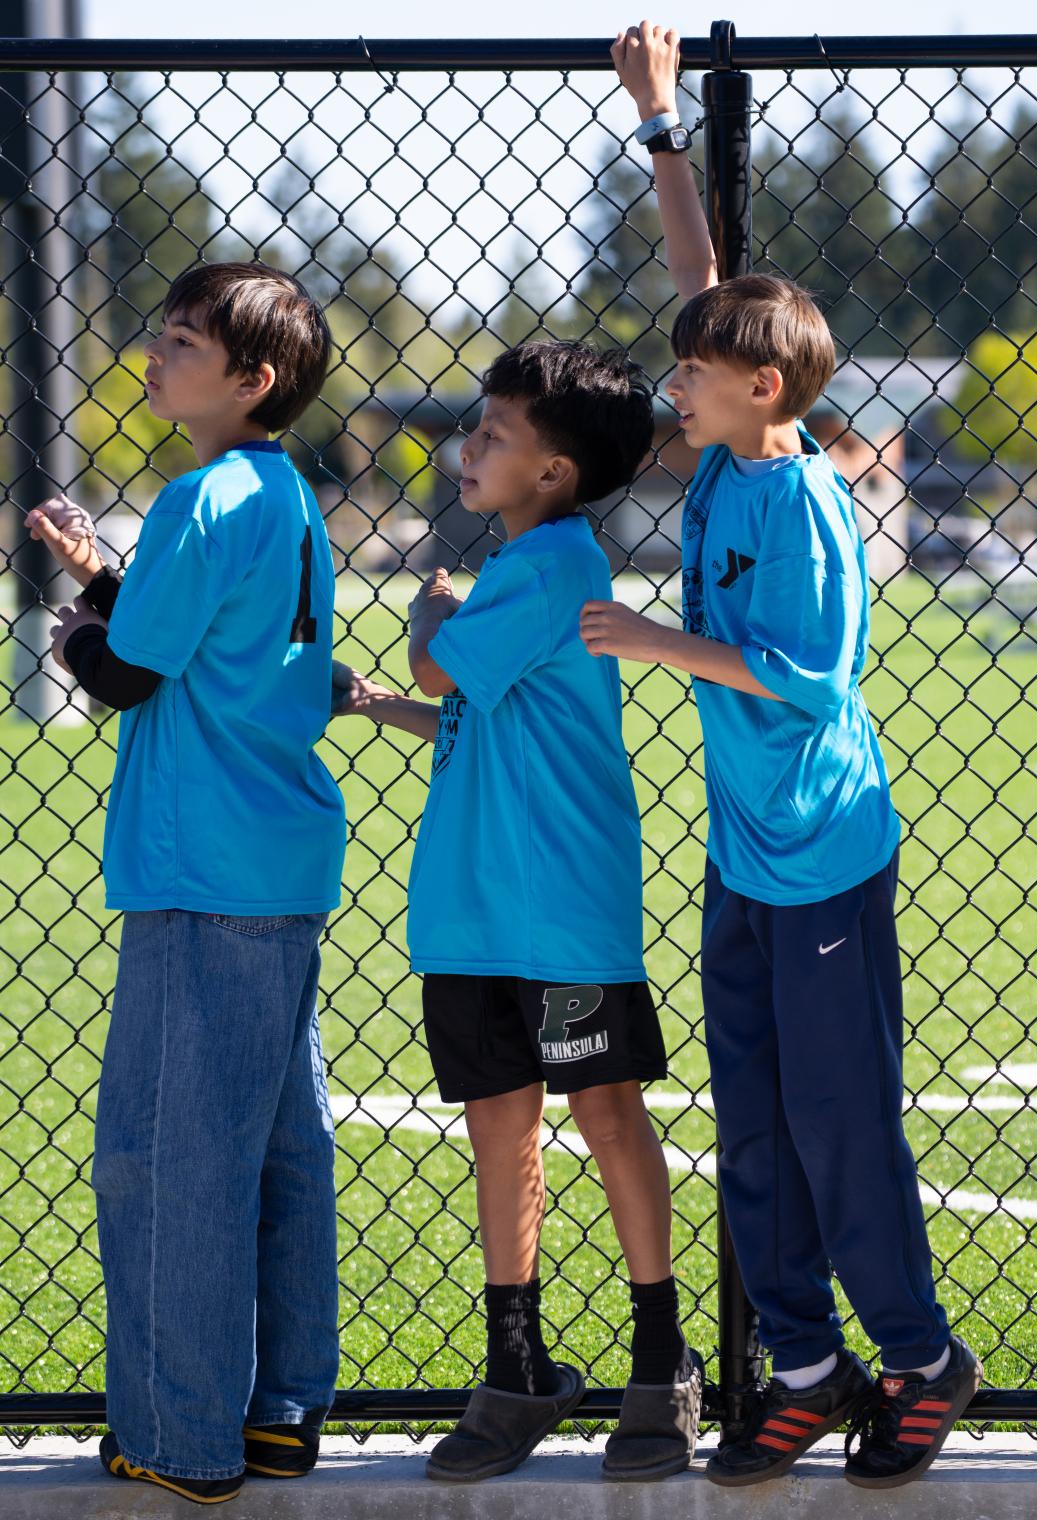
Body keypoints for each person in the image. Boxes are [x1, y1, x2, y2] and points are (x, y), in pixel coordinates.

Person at [573, 20, 977, 1491]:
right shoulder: (735, 434)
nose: (672, 384)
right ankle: (802, 1370)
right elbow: (710, 286)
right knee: (750, 1123)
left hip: (819, 852)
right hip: (744, 855)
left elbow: (811, 683)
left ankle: (924, 1361)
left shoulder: (799, 502)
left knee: (836, 1123)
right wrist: (662, 121)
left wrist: (654, 642)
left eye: (696, 375)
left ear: (766, 393)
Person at [339, 339, 697, 1483]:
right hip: (476, 915)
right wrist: (379, 702)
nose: (469, 447)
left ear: (553, 472)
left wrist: (426, 614)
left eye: (494, 434)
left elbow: (451, 672)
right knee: (504, 1127)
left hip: (558, 911)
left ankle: (662, 1358)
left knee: (605, 1112)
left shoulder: (547, 565)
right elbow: (465, 716)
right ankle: (520, 1364)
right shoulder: (527, 570)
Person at [26, 260, 342, 1506]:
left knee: (168, 1156)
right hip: (272, 855)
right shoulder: (280, 491)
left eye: (179, 343)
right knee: (276, 1145)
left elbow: (129, 674)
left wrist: (79, 630)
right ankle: (274, 1413)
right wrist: (105, 579)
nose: (154, 358)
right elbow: (196, 636)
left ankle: (184, 1434)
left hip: (203, 864)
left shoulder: (202, 493)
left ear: (251, 379)